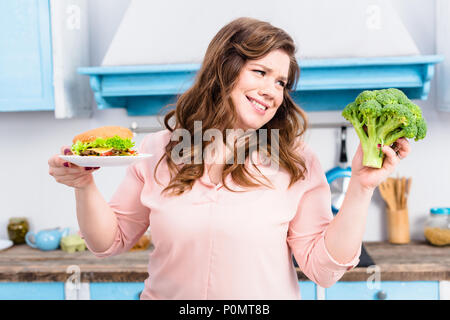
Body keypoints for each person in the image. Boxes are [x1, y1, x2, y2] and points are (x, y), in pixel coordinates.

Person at [48, 17, 410, 300]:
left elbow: (323, 271)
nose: (272, 91)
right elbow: (107, 242)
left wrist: (361, 188)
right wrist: (84, 184)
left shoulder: (297, 162)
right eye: (261, 72)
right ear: (225, 69)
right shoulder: (158, 150)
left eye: (281, 83)